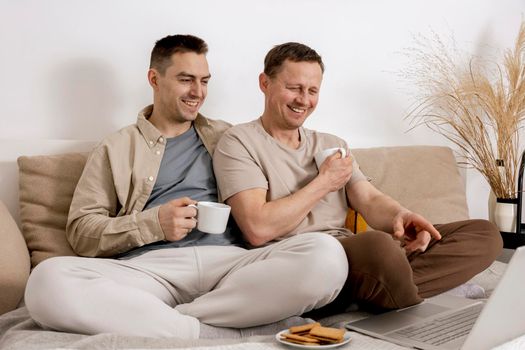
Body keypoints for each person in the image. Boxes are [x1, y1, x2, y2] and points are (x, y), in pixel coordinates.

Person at [24, 35, 349, 339]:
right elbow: (82, 231)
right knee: (46, 281)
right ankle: (213, 332)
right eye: (185, 79)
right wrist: (153, 224)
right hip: (148, 272)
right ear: (154, 79)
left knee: (327, 256)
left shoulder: (232, 137)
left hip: (233, 268)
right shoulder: (116, 147)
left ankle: (169, 321)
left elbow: (275, 193)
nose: (198, 92)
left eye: (204, 81)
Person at [212, 42, 503, 315]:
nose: (304, 100)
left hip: (356, 259)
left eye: (313, 90)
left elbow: (368, 197)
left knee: (484, 234)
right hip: (301, 262)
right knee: (378, 246)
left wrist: (402, 216)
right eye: (294, 88)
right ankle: (397, 294)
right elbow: (258, 229)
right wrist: (324, 182)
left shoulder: (329, 142)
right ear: (265, 83)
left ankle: (379, 291)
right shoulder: (239, 142)